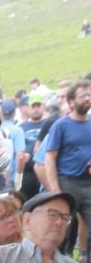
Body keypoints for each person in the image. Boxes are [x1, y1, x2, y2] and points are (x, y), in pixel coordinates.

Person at [40, 78, 91, 251]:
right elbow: (49, 158)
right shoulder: (61, 126)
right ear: (70, 101)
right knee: (62, 229)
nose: (87, 99)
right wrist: (55, 189)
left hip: (88, 182)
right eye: (83, 96)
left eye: (89, 95)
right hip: (67, 181)